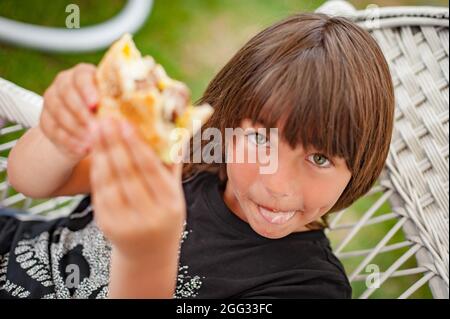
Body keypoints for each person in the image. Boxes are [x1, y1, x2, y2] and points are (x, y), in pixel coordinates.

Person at [0, 12, 394, 299]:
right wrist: (60, 136)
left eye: (320, 158)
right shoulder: (184, 159)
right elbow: (30, 181)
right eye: (261, 139)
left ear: (360, 166)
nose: (276, 183)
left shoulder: (306, 287)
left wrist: (147, 257)